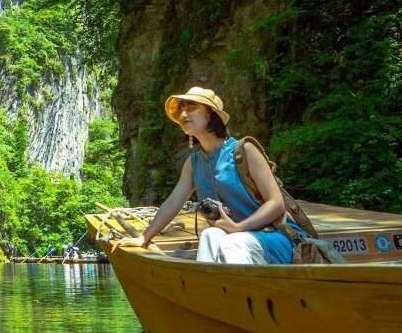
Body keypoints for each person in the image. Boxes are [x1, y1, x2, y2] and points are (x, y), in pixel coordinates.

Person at [113, 86, 301, 264]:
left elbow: (276, 204)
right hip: (234, 239)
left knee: (232, 242)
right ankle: (207, 294)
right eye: (181, 109)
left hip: (272, 237)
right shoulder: (193, 163)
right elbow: (173, 203)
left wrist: (238, 228)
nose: (183, 114)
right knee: (210, 235)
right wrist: (144, 237)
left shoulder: (245, 151)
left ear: (211, 114)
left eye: (192, 107)